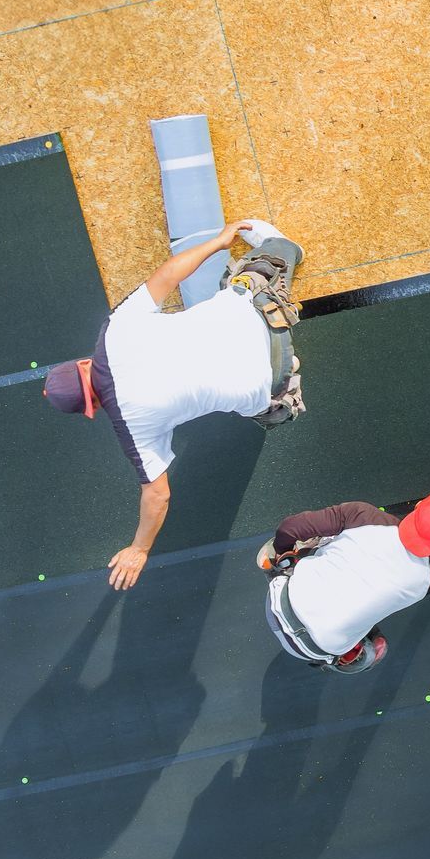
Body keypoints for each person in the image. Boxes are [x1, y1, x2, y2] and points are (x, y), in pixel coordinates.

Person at [42, 219, 307, 589]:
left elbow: (157, 495)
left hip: (270, 376)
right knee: (255, 270)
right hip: (258, 313)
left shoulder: (130, 429)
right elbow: (168, 274)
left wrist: (139, 548)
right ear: (84, 364)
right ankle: (277, 253)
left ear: (92, 408)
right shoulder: (114, 330)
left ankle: (289, 386)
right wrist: (218, 242)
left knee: (275, 413)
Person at [260, 491, 430, 674]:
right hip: (314, 650)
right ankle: (349, 656)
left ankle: (285, 562)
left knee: (328, 539)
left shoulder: (363, 516)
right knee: (371, 621)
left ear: (419, 505)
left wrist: (283, 551)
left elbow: (290, 527)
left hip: (278, 603)